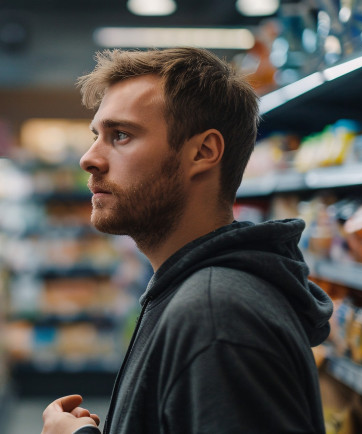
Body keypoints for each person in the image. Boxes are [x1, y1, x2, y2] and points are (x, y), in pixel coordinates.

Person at [41, 47, 333, 434]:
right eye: (97, 135)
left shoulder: (216, 316)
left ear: (204, 152)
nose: (89, 158)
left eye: (121, 135)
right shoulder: (193, 293)